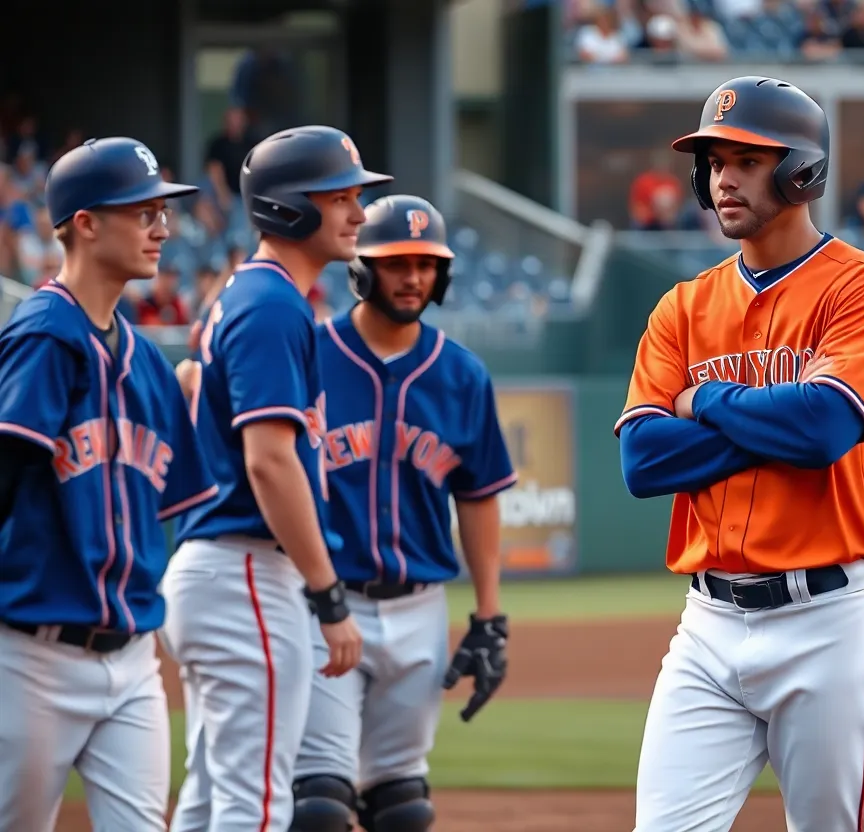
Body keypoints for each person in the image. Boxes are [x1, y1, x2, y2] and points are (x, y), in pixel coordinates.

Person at [616, 75, 864, 832]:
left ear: (800, 171)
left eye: (746, 159)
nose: (723, 178)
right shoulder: (681, 308)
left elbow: (821, 429)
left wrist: (705, 400)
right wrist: (770, 427)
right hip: (707, 626)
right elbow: (644, 462)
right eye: (714, 161)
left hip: (828, 621)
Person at [159, 125, 392, 832]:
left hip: (221, 574)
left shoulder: (253, 295)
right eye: (342, 196)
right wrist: (328, 596)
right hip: (248, 574)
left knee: (209, 800)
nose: (358, 213)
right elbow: (269, 461)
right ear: (290, 207)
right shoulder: (272, 305)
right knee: (255, 808)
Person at [0, 137, 215, 830]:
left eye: (163, 212)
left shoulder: (150, 366)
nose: (162, 228)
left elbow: (174, 511)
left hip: (132, 660)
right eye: (142, 211)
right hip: (31, 657)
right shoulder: (44, 336)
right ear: (85, 223)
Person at [289, 196, 517, 831]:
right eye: (396, 263)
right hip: (324, 605)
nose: (413, 277)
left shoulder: (462, 374)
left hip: (420, 610)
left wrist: (490, 617)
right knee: (319, 806)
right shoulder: (310, 354)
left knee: (402, 807)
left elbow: (478, 497)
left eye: (426, 263)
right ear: (362, 269)